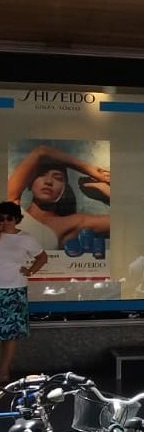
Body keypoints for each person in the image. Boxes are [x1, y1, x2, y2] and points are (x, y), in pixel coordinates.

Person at [5, 144, 110, 251]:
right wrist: (88, 168)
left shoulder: (67, 224)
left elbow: (116, 222)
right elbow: (41, 152)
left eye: (58, 178)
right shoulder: (11, 208)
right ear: (29, 183)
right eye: (41, 175)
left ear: (64, 190)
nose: (48, 181)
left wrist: (104, 188)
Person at [0, 201, 48, 383]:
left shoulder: (26, 238)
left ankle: (4, 370)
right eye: (1, 218)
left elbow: (42, 257)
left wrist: (30, 271)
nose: (5, 221)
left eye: (9, 218)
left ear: (16, 219)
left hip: (14, 288)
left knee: (10, 332)